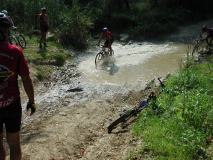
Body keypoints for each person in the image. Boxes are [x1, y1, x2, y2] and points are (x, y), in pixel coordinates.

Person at [0, 13, 36, 160]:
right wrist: (31, 101)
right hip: (12, 104)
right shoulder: (15, 52)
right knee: (14, 142)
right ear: (4, 31)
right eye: (8, 30)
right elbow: (26, 80)